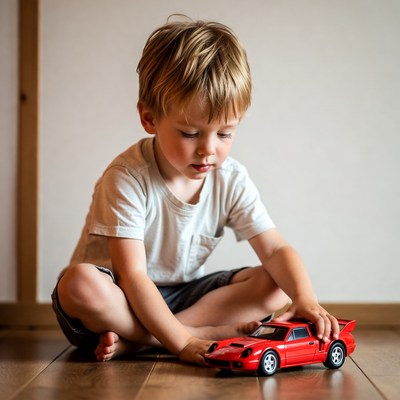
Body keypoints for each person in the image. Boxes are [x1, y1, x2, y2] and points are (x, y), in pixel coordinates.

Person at [51, 17, 339, 365]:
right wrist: (184, 344)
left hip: (184, 299)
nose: (208, 150)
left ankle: (140, 342)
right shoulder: (127, 177)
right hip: (120, 297)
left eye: (225, 134)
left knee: (275, 283)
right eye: (190, 134)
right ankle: (183, 335)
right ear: (150, 119)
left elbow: (275, 248)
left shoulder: (230, 178)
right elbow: (133, 276)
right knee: (77, 284)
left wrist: (305, 299)